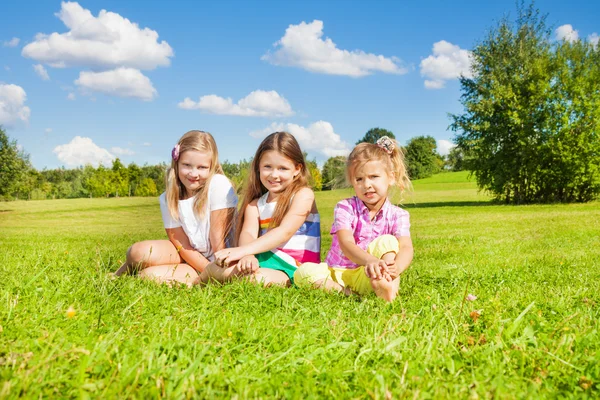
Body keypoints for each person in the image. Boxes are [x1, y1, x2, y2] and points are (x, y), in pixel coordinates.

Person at [295, 136, 413, 302]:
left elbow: (406, 246)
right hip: (336, 273)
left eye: (374, 177)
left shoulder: (398, 215)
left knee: (387, 241)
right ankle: (346, 293)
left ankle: (387, 285)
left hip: (369, 275)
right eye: (359, 179)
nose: (367, 184)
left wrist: (397, 267)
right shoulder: (345, 207)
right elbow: (346, 244)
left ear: (391, 177)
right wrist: (370, 260)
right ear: (352, 181)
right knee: (303, 272)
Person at [196, 131, 320, 287]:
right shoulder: (255, 205)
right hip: (265, 261)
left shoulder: (303, 195)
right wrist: (248, 255)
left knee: (253, 280)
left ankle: (208, 280)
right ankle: (196, 283)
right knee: (215, 268)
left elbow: (285, 231)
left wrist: (243, 251)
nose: (274, 175)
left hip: (296, 268)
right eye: (267, 167)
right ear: (258, 168)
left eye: (283, 168)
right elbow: (248, 233)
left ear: (297, 169)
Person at [114, 130, 237, 286]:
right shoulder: (169, 197)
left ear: (212, 167)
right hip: (189, 254)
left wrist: (214, 272)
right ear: (176, 163)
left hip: (221, 258)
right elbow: (181, 245)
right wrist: (207, 271)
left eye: (202, 167)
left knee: (148, 276)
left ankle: (200, 277)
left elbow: (218, 241)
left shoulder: (218, 184)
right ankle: (121, 272)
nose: (194, 173)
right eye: (186, 165)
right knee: (137, 252)